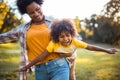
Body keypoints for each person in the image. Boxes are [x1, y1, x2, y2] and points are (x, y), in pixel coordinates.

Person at [13, 19, 118, 80]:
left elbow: (90, 47)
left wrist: (107, 51)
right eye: (61, 36)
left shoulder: (75, 41)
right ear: (56, 36)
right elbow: (42, 56)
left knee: (72, 76)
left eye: (68, 35)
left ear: (72, 34)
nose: (66, 39)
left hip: (72, 59)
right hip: (62, 60)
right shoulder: (53, 44)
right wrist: (27, 66)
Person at [0, 0, 72, 80]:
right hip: (40, 70)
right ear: (27, 13)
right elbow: (3, 37)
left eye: (38, 9)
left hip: (59, 65)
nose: (36, 14)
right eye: (32, 12)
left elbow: (74, 37)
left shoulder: (55, 22)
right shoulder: (23, 28)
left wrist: (70, 50)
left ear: (40, 5)